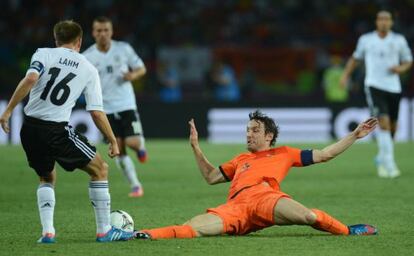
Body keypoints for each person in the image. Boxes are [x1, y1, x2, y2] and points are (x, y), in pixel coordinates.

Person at [132, 110, 378, 240]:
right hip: (236, 207)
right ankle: (137, 235)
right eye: (247, 130)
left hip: (266, 198)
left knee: (310, 216)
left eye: (255, 130)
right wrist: (196, 147)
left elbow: (324, 154)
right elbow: (210, 177)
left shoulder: (284, 153)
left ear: (268, 136)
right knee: (190, 229)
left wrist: (354, 136)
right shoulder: (241, 159)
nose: (248, 134)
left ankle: (348, 231)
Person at [0, 20, 134, 243]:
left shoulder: (43, 53)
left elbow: (31, 78)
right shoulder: (88, 68)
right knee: (100, 169)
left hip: (30, 128)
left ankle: (48, 232)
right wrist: (112, 140)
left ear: (56, 40)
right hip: (56, 131)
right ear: (79, 41)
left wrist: (8, 111)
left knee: (47, 175)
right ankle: (104, 231)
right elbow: (96, 112)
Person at [340, 11, 412, 178]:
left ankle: (381, 158)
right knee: (384, 123)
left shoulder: (398, 40)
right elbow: (355, 58)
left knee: (393, 127)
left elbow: (408, 60)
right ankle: (390, 165)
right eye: (381, 19)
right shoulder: (366, 40)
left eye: (387, 19)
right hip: (374, 86)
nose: (384, 22)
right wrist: (345, 75)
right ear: (376, 22)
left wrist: (401, 69)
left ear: (392, 22)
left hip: (394, 87)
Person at [83, 16, 147, 197]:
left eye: (106, 30)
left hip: (126, 103)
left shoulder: (124, 49)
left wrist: (132, 76)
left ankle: (141, 147)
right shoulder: (87, 57)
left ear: (111, 32)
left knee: (132, 142)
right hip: (104, 108)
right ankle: (135, 185)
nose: (102, 34)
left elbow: (141, 68)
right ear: (93, 33)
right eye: (99, 31)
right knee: (118, 147)